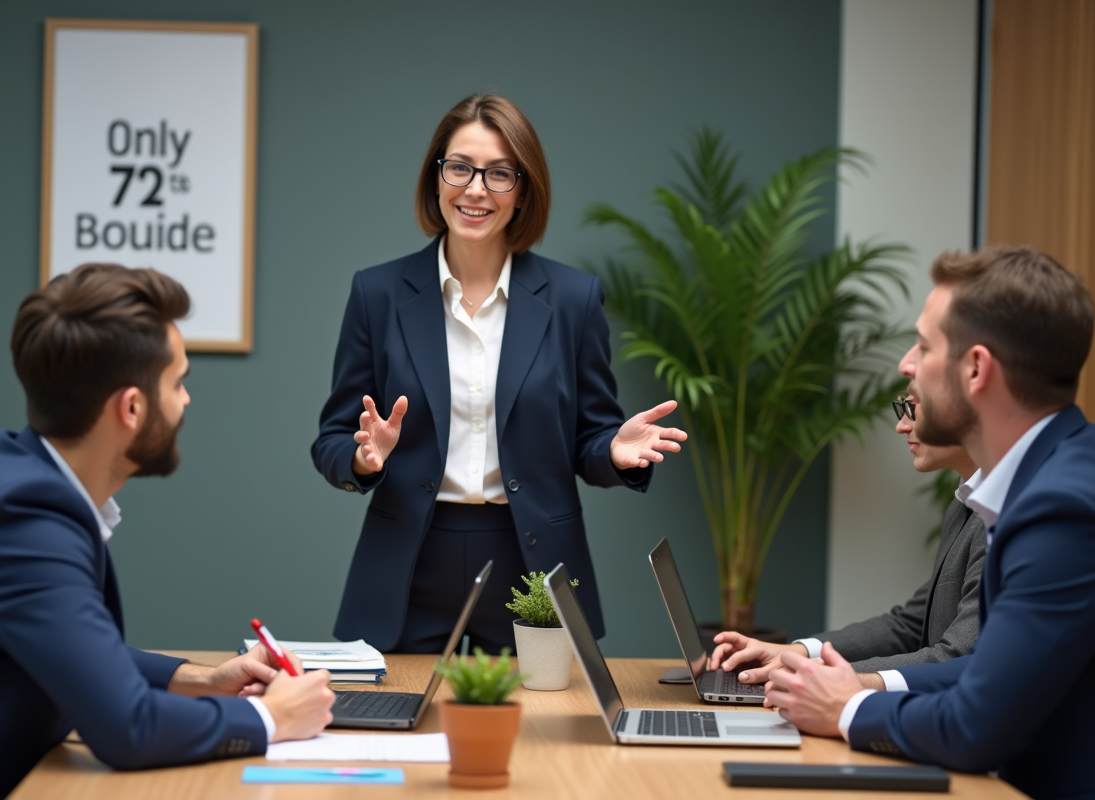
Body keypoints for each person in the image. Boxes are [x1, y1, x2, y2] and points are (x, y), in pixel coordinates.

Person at [0, 264, 336, 800]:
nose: (186, 401)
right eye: (178, 383)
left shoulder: (12, 471)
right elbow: (128, 728)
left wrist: (204, 679)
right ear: (131, 407)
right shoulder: (23, 517)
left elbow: (69, 648)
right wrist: (273, 717)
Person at [312, 94, 687, 654]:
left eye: (499, 173)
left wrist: (612, 451)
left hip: (531, 562)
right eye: (460, 167)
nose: (475, 189)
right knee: (393, 711)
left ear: (523, 190)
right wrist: (364, 458)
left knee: (538, 713)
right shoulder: (377, 293)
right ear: (436, 177)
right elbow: (332, 440)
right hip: (409, 563)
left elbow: (589, 436)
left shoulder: (573, 298)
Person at [762, 246, 1095, 800]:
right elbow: (985, 670)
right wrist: (840, 685)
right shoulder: (1045, 480)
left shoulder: (1062, 507)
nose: (906, 366)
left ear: (976, 369)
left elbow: (975, 726)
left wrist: (848, 707)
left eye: (923, 345)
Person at [708, 393, 985, 683]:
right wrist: (796, 653)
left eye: (912, 406)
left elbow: (959, 658)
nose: (901, 425)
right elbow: (912, 624)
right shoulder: (962, 506)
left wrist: (820, 676)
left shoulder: (1000, 516)